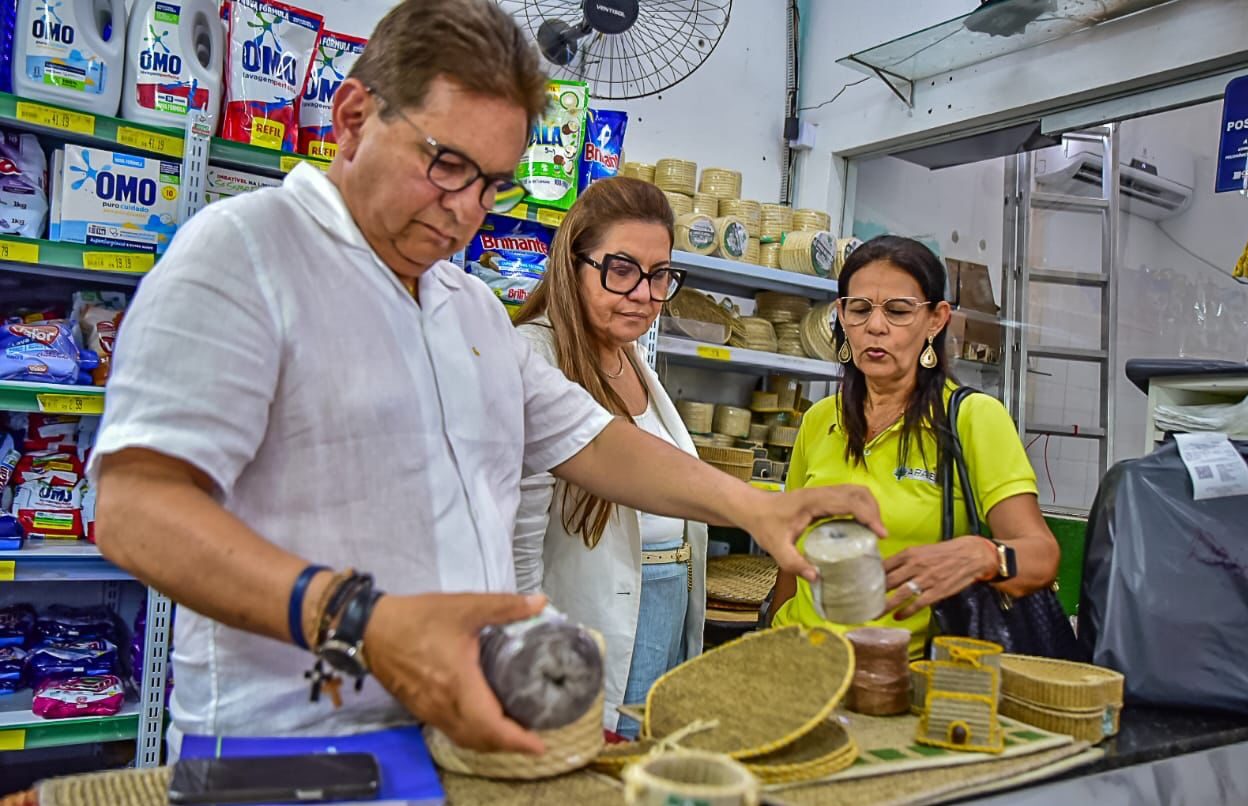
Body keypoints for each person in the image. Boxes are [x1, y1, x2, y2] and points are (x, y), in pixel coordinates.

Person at [89, 0, 886, 755]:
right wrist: (358, 619)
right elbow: (135, 508)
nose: (467, 210)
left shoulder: (465, 305)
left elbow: (594, 442)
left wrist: (759, 506)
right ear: (354, 118)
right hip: (290, 739)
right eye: (446, 165)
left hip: (457, 720)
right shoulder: (244, 254)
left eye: (493, 183)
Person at [769, 235, 1060, 657]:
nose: (876, 326)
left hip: (903, 676)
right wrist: (771, 646)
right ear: (841, 316)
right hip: (801, 662)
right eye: (860, 309)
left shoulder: (972, 419)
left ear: (936, 320)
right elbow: (790, 559)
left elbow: (1042, 556)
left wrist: (984, 555)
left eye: (899, 311)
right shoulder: (819, 421)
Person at [511, 177, 703, 738]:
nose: (643, 293)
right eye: (621, 269)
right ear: (573, 265)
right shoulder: (535, 353)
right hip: (587, 622)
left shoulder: (626, 357)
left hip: (661, 611)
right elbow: (518, 540)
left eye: (660, 274)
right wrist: (531, 650)